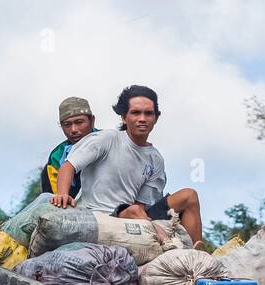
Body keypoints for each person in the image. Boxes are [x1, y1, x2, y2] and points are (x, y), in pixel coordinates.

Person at [50, 85, 204, 246]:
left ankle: (198, 255)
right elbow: (68, 166)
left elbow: (141, 204)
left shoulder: (155, 159)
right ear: (124, 117)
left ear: (156, 118)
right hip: (99, 216)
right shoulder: (107, 139)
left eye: (148, 113)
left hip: (133, 217)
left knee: (189, 195)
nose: (142, 118)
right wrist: (62, 194)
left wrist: (144, 221)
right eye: (136, 113)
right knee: (134, 211)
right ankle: (168, 244)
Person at [40, 96, 97, 195]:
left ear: (92, 121)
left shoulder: (111, 141)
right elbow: (55, 201)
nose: (73, 130)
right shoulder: (56, 158)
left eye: (79, 122)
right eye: (67, 124)